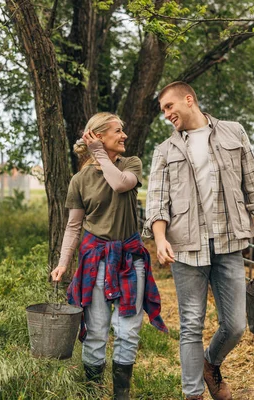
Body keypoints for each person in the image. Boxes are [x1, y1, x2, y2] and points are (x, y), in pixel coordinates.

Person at [143, 82, 254, 400]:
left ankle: (210, 363)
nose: (166, 114)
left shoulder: (234, 132)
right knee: (191, 324)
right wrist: (161, 239)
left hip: (229, 243)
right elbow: (157, 201)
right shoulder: (165, 150)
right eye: (163, 109)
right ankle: (193, 394)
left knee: (235, 325)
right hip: (185, 248)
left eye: (168, 106)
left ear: (188, 99)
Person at [51, 112, 167, 400]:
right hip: (96, 261)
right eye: (118, 131)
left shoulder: (131, 164)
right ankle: (92, 391)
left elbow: (119, 184)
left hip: (130, 259)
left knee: (128, 330)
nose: (124, 135)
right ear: (98, 136)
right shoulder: (79, 180)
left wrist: (100, 155)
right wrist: (63, 263)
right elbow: (74, 226)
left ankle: (121, 395)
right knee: (96, 332)